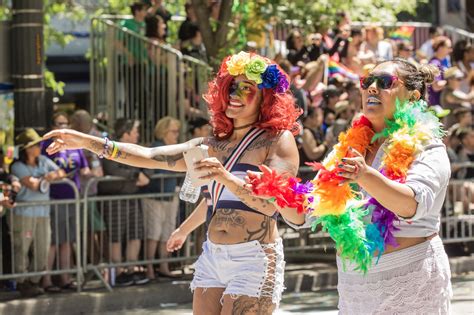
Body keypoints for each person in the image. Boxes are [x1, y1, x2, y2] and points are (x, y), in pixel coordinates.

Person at [43, 51, 304, 314]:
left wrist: (224, 177)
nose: (234, 96)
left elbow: (270, 205)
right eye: (231, 88)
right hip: (213, 257)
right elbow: (150, 155)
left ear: (265, 97)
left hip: (254, 257)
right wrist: (88, 142)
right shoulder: (211, 144)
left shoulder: (277, 140)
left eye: (246, 89)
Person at [248, 59, 453, 313]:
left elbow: (413, 204)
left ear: (413, 96)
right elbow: (306, 212)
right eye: (367, 82)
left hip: (410, 279)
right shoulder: (348, 148)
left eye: (385, 82)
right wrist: (276, 193)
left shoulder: (426, 145)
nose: (372, 88)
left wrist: (365, 175)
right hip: (355, 285)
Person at [10, 129, 65, 297]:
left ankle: (34, 280)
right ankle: (22, 282)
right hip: (24, 213)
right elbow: (31, 184)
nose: (40, 147)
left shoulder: (43, 161)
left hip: (43, 212)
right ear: (27, 148)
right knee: (22, 248)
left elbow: (61, 173)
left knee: (43, 248)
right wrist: (47, 177)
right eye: (36, 145)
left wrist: (51, 175)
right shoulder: (18, 166)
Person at [41, 112, 91, 292]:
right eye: (58, 123)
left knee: (67, 241)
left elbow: (85, 168)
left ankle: (65, 278)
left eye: (65, 123)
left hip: (73, 198)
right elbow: (41, 169)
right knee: (53, 242)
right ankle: (46, 280)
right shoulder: (46, 144)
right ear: (52, 126)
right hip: (55, 199)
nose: (62, 126)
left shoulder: (74, 145)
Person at [98, 118, 150, 286]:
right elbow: (113, 170)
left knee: (135, 233)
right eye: (135, 131)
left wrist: (140, 175)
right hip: (114, 198)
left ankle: (131, 269)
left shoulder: (135, 148)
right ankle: (118, 272)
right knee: (116, 236)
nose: (137, 134)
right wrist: (134, 176)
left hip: (131, 196)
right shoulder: (111, 148)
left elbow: (142, 167)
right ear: (125, 134)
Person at [141, 117, 181, 280]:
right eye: (174, 131)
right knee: (154, 232)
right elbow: (148, 172)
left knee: (167, 232)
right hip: (155, 197)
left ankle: (164, 266)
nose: (177, 135)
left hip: (170, 196)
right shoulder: (156, 148)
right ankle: (150, 267)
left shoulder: (175, 148)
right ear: (164, 131)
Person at [428, 36, 453, 106]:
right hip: (434, 105)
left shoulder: (438, 62)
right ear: (440, 48)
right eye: (448, 47)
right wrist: (451, 82)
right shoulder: (434, 63)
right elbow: (436, 86)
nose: (451, 50)